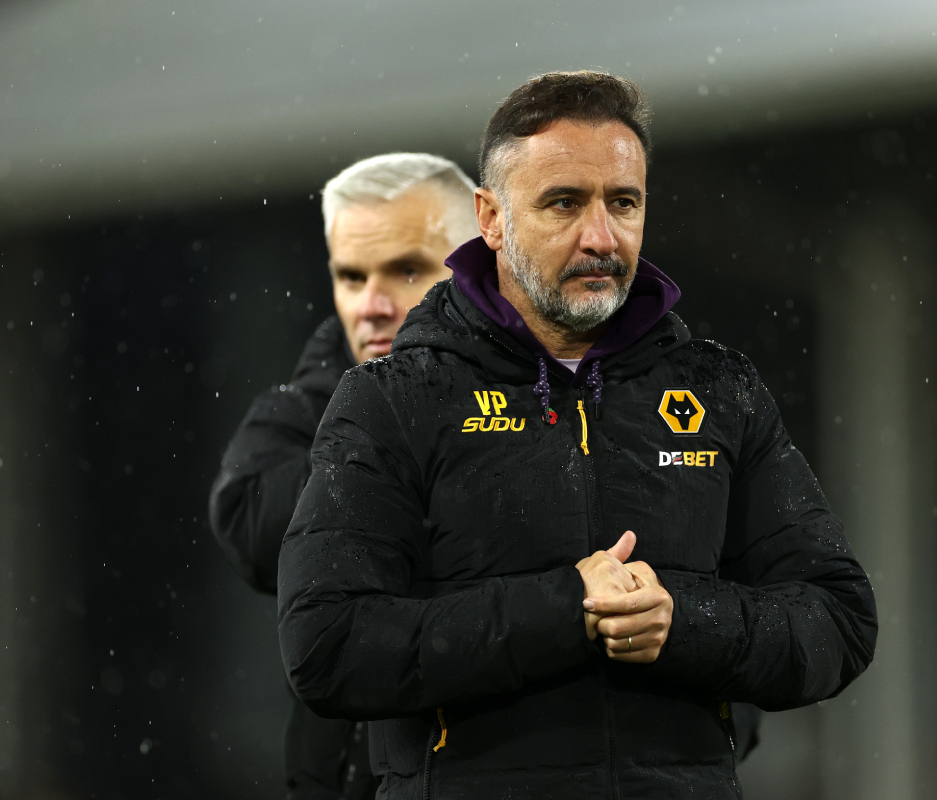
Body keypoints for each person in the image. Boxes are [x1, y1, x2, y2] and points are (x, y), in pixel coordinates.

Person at [277, 71, 878, 799]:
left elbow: (838, 620)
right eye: (564, 202)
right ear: (490, 218)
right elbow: (327, 645)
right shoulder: (393, 400)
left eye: (623, 202)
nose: (601, 237)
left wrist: (683, 621)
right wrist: (567, 609)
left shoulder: (722, 391)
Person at [209, 152, 480, 799]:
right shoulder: (304, 409)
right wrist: (401, 431)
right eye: (351, 277)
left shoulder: (554, 397)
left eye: (407, 270)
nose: (372, 306)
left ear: (481, 270)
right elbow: (248, 526)